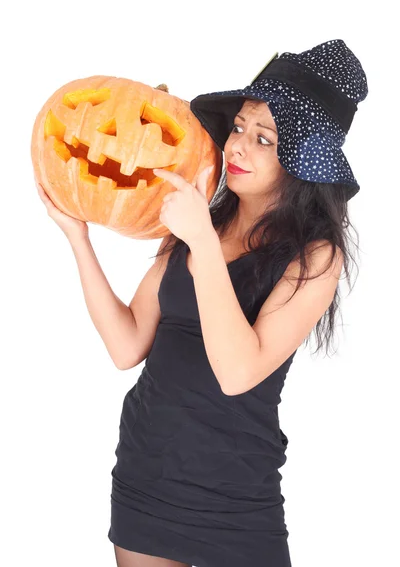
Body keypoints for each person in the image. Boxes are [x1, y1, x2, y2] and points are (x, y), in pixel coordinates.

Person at [36, 38, 368, 567]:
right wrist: (78, 238)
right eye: (238, 127)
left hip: (237, 494)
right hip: (148, 472)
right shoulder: (199, 224)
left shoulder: (315, 258)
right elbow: (127, 346)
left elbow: (239, 372)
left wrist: (203, 244)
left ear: (303, 159)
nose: (236, 147)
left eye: (264, 138)